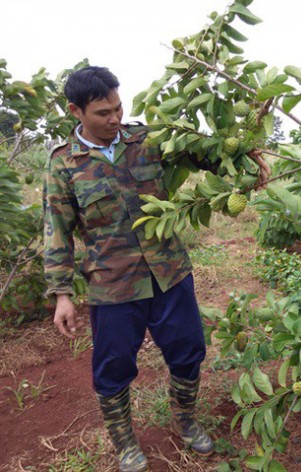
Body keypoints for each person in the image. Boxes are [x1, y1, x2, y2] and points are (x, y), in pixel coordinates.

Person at [43, 66, 269, 472]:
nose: (114, 118)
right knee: (113, 367)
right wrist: (61, 294)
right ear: (76, 111)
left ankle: (185, 418)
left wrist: (244, 161)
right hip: (112, 284)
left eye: (118, 107)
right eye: (102, 113)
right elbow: (57, 230)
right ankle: (126, 441)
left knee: (188, 351)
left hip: (169, 271)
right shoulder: (64, 164)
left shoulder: (148, 139)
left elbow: (205, 153)